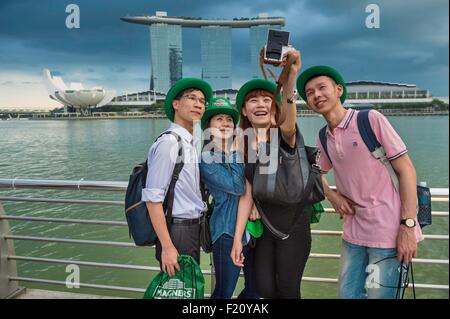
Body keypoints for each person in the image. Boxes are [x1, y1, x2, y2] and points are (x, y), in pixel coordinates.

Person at [296, 65, 424, 299]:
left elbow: (406, 170)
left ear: (338, 90)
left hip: (388, 232)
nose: (316, 95)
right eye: (310, 93)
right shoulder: (324, 136)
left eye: (321, 88)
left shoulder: (369, 120)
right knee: (347, 294)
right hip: (353, 233)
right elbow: (315, 173)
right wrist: (333, 196)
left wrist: (407, 226)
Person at [230, 49, 312, 299]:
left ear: (274, 108)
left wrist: (291, 77)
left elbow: (288, 121)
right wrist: (236, 239)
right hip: (262, 227)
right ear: (244, 111)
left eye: (267, 100)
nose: (261, 104)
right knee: (264, 288)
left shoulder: (286, 137)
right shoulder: (239, 143)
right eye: (253, 101)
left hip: (292, 225)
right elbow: (244, 191)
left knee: (288, 290)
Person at [142, 78, 212, 277]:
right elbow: (153, 199)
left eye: (202, 101)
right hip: (177, 231)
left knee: (186, 288)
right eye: (191, 98)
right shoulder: (169, 143)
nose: (198, 104)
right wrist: (167, 247)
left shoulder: (189, 142)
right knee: (180, 289)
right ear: (176, 104)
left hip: (191, 229)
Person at [199, 97, 259, 299]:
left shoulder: (243, 151)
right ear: (208, 126)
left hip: (252, 230)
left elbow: (256, 186)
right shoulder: (207, 159)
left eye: (228, 119)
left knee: (256, 289)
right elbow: (238, 186)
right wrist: (235, 151)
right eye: (219, 119)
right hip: (226, 231)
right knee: (224, 291)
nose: (225, 123)